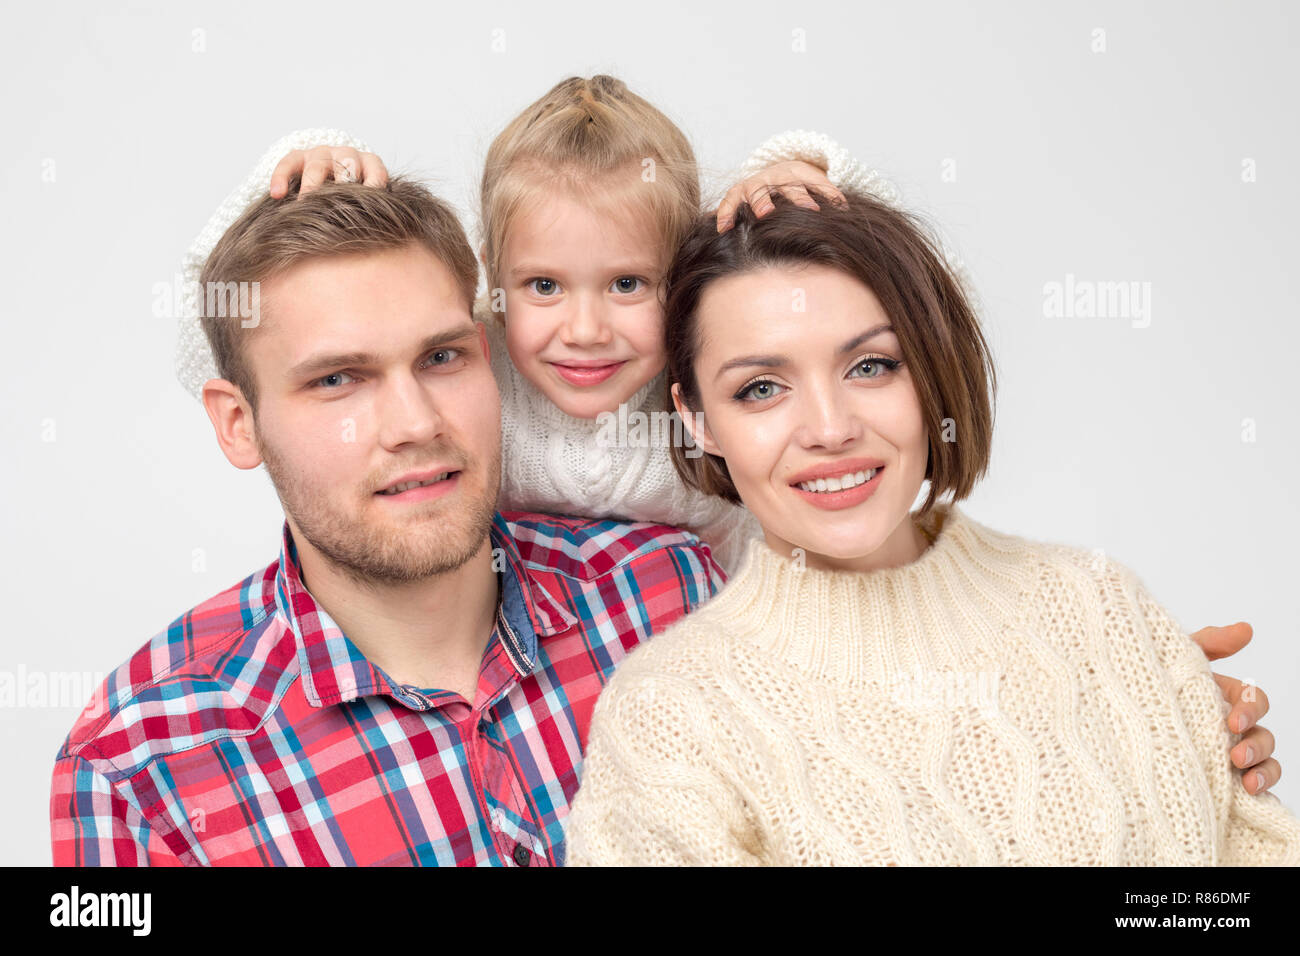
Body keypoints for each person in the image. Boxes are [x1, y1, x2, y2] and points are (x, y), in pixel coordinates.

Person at [562, 189, 1300, 865]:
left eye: (871, 366)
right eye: (761, 388)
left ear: (930, 369)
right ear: (698, 419)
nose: (829, 428)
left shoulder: (1098, 602)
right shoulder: (671, 721)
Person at [49, 176, 723, 866]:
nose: (416, 424)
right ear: (237, 423)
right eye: (338, 379)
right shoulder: (138, 763)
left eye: (440, 358)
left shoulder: (668, 587)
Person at [172, 77, 902, 572]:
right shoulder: (469, 369)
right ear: (494, 283)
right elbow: (215, 342)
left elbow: (914, 317)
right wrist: (289, 171)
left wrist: (805, 175)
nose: (583, 330)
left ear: (681, 279)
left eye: (627, 284)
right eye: (544, 285)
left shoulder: (705, 387)